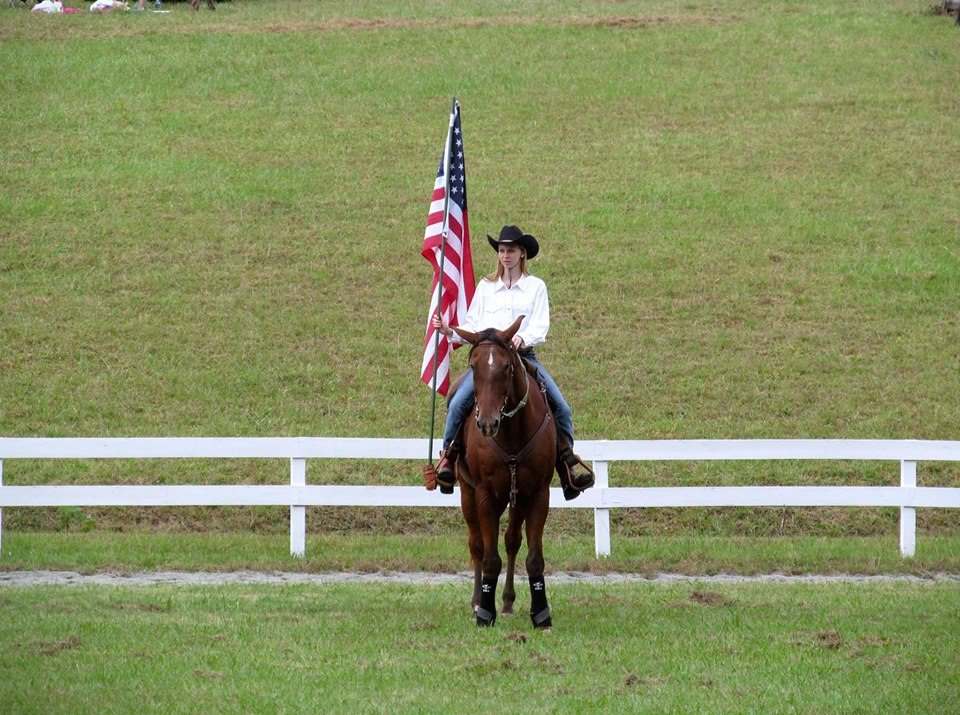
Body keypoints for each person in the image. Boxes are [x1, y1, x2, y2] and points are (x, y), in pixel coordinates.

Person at [432, 224, 595, 499]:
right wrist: (451, 331)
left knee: (562, 408)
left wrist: (522, 337)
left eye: (511, 251)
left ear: (522, 254)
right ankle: (449, 456)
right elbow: (473, 324)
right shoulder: (486, 287)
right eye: (502, 250)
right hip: (489, 362)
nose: (505, 255)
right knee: (459, 402)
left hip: (523, 357)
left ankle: (567, 465)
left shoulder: (535, 287)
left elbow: (540, 324)